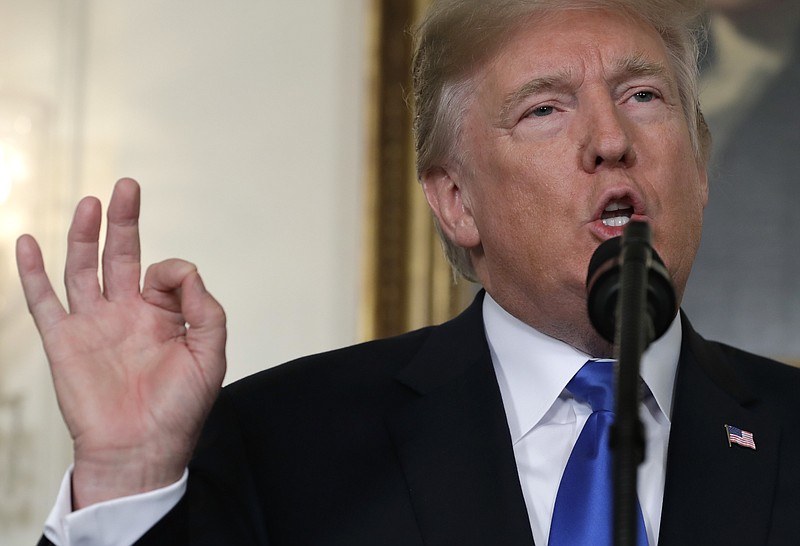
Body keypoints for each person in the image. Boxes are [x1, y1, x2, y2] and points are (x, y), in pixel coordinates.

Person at [17, 0, 800, 544]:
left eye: (642, 94)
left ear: (698, 170)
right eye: (545, 109)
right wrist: (124, 479)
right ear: (456, 201)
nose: (610, 138)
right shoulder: (283, 444)